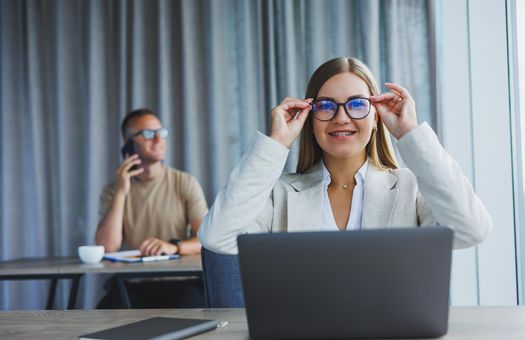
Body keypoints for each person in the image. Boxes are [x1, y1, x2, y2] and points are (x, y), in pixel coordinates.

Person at [198, 57, 492, 254]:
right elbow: (217, 237)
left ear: (376, 117)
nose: (341, 118)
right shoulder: (279, 195)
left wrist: (409, 134)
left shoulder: (409, 188)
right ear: (310, 120)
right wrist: (277, 143)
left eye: (356, 104)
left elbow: (472, 230)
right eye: (326, 106)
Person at [95, 108, 208, 308]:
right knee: (102, 314)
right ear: (129, 144)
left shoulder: (185, 182)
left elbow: (207, 241)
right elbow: (106, 247)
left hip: (180, 283)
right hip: (132, 284)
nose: (158, 139)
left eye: (161, 132)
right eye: (148, 134)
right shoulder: (114, 190)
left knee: (195, 313)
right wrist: (122, 191)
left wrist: (174, 247)